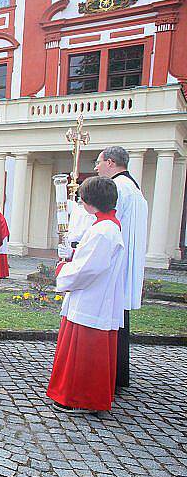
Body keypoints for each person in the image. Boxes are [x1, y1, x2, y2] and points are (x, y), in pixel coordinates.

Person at [48, 176, 125, 413]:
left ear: (90, 202)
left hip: (92, 301)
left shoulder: (103, 231)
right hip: (96, 298)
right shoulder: (106, 226)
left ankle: (77, 398)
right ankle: (85, 397)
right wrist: (74, 253)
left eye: (82, 199)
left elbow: (88, 269)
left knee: (83, 354)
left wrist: (64, 270)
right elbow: (89, 259)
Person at [95, 146, 148, 389]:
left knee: (111, 319)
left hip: (115, 261)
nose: (96, 167)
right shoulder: (135, 189)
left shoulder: (117, 189)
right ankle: (118, 373)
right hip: (128, 260)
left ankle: (109, 375)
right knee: (120, 319)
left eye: (99, 162)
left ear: (111, 162)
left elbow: (106, 223)